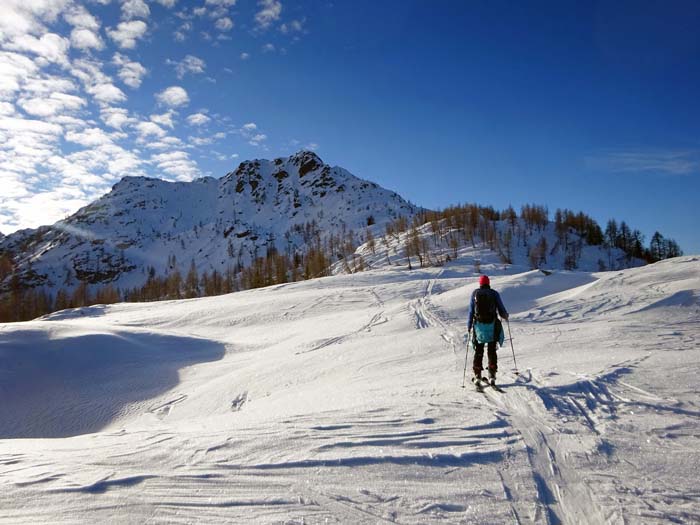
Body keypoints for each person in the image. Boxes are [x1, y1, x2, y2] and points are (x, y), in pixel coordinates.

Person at [467, 275, 509, 385]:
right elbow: (501, 309)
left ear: (480, 283)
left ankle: (477, 375)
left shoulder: (474, 293)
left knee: (478, 350)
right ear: (488, 283)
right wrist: (505, 316)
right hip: (492, 326)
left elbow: (471, 311)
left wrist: (469, 326)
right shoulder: (494, 293)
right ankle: (492, 374)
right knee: (491, 351)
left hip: (479, 327)